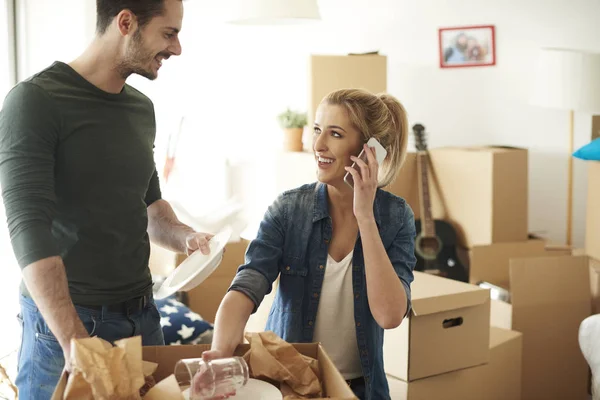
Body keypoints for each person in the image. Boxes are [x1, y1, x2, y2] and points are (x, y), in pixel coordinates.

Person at [0, 1, 212, 399]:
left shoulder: (140, 108)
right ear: (126, 22)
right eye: (169, 33)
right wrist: (73, 340)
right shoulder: (35, 101)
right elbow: (28, 230)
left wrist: (185, 236)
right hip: (67, 325)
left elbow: (150, 207)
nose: (178, 49)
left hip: (143, 318)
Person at [203, 89, 416, 400]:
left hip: (360, 389)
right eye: (317, 130)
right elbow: (247, 284)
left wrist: (365, 217)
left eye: (335, 134)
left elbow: (390, 315)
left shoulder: (396, 217)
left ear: (371, 150)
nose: (318, 145)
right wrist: (221, 351)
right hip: (290, 383)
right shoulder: (288, 210)